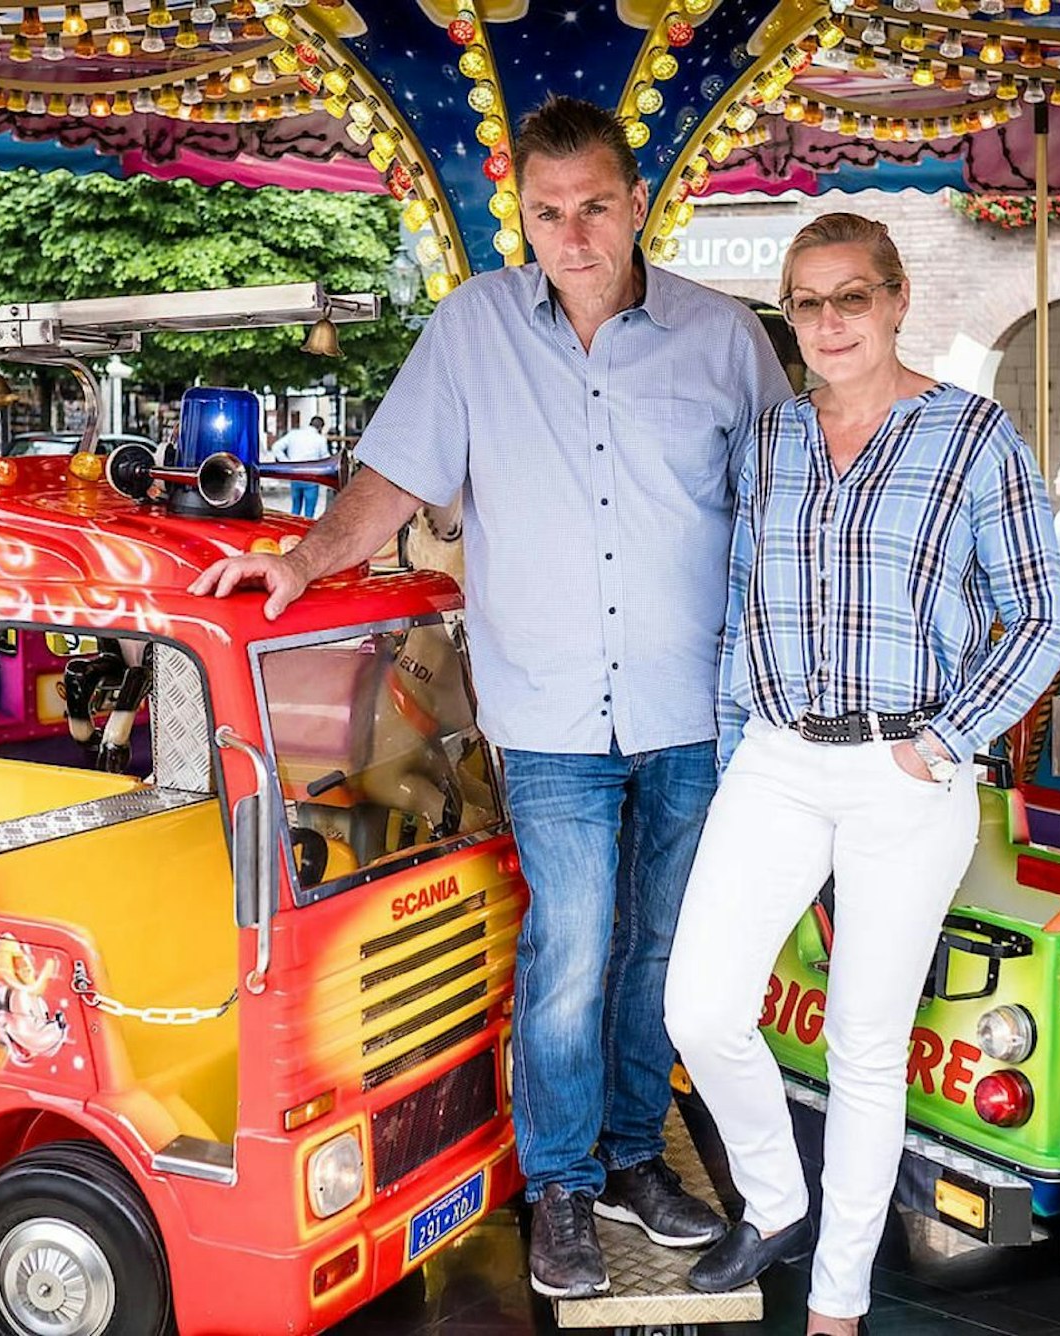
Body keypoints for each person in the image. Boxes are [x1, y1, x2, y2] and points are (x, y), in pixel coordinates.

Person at [191, 95, 789, 1299]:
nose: (571, 234)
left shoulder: (724, 338)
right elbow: (390, 479)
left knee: (659, 954)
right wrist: (303, 562)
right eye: (546, 214)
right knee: (569, 947)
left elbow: (788, 510)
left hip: (694, 708)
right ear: (523, 219)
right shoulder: (471, 332)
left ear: (637, 208)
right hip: (551, 712)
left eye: (594, 209)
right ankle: (559, 1180)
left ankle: (632, 1157)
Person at [663, 213, 1060, 1335]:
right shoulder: (772, 440)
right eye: (805, 302)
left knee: (861, 1041)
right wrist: (727, 746)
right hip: (778, 756)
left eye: (851, 297)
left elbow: (1039, 614)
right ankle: (774, 1196)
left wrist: (946, 736)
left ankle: (837, 1301)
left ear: (896, 301)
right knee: (698, 1006)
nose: (828, 322)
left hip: (907, 765)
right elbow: (740, 609)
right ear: (786, 317)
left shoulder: (972, 436)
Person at [268, 413, 332, 518]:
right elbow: (325, 457)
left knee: (295, 508)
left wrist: (287, 462)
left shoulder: (294, 434)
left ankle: (292, 530)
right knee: (309, 512)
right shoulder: (320, 439)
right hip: (312, 475)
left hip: (295, 473)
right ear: (320, 427)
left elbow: (276, 447)